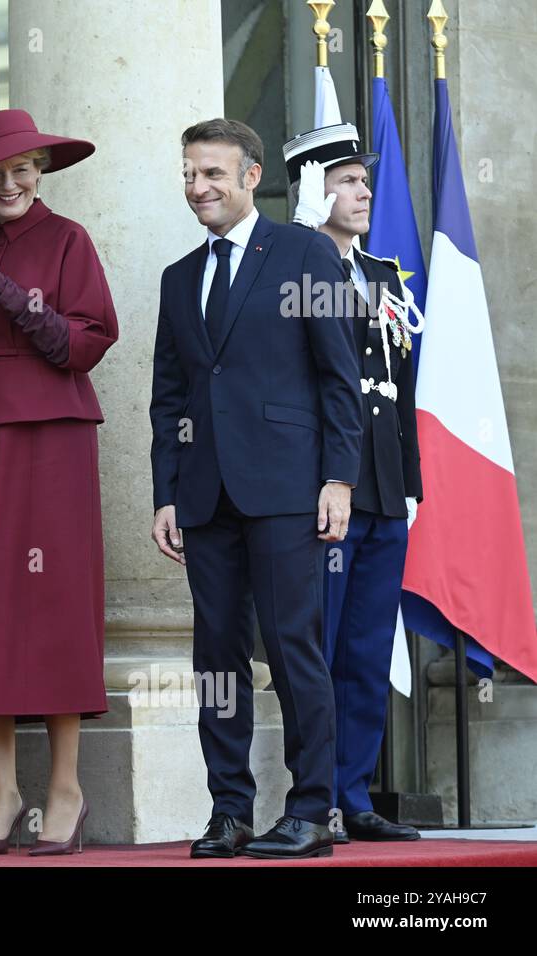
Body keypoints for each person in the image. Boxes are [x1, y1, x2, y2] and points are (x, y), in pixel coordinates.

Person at [148, 118, 362, 860]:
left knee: (295, 648)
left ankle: (310, 811)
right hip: (206, 498)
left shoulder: (305, 252)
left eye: (211, 174)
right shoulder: (179, 277)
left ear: (250, 177)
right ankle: (229, 811)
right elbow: (168, 397)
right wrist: (166, 493)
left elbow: (341, 379)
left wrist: (338, 478)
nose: (197, 187)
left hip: (286, 490)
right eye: (188, 174)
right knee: (217, 662)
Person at [0, 109, 117, 856]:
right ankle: (4, 792)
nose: (9, 183)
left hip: (50, 442)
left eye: (22, 169)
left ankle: (64, 788)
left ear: (42, 171)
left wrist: (6, 289)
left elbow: (83, 343)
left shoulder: (68, 241)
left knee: (55, 606)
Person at [285, 124, 423, 842]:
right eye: (346, 180)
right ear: (312, 189)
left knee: (366, 649)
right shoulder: (292, 271)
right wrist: (308, 244)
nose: (364, 191)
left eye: (366, 181)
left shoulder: (382, 274)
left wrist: (412, 484)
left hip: (381, 490)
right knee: (321, 647)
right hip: (322, 491)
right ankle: (317, 797)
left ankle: (355, 791)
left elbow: (396, 388)